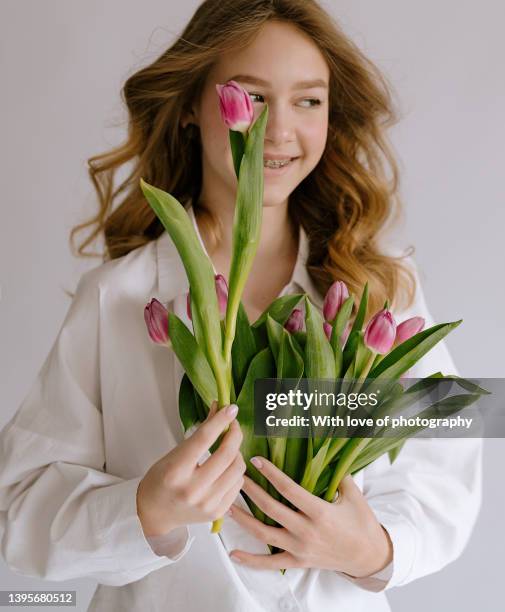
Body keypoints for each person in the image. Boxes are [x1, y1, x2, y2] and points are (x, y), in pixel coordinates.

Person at [0, 1, 481, 611]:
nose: (278, 132)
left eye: (308, 100)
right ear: (191, 110)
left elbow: (448, 456)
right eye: (250, 97)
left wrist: (373, 548)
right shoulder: (117, 299)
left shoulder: (378, 288)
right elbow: (20, 506)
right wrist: (144, 510)